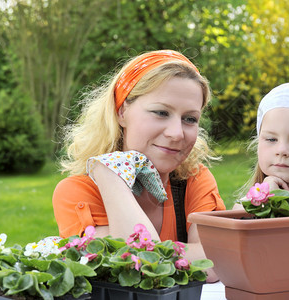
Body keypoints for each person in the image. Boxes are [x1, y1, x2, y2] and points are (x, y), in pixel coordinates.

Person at [52, 50, 225, 281]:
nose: (176, 133)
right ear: (121, 111)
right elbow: (132, 269)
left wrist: (152, 252)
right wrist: (109, 176)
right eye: (161, 112)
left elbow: (217, 263)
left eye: (190, 119)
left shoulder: (194, 180)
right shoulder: (79, 192)